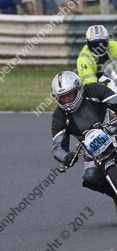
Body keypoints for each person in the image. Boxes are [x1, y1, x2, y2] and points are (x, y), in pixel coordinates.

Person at [50, 71, 117, 208]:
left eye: (70, 94)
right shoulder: (59, 116)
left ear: (78, 89)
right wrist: (66, 157)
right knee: (90, 178)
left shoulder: (93, 90)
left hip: (113, 129)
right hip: (91, 148)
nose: (67, 100)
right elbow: (57, 146)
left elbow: (114, 101)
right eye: (63, 97)